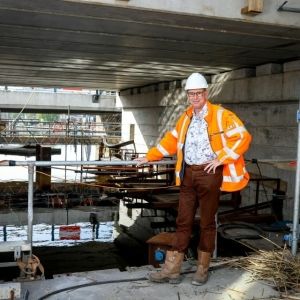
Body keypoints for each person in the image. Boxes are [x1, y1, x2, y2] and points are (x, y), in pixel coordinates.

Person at [135, 72, 252, 285]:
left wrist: (223, 158)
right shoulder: (185, 117)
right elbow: (170, 141)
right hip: (188, 174)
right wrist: (150, 157)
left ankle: (202, 269)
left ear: (206, 93)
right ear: (187, 95)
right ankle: (172, 270)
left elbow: (243, 136)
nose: (195, 97)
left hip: (209, 174)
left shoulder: (221, 115)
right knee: (183, 221)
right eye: (191, 94)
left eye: (199, 93)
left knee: (207, 223)